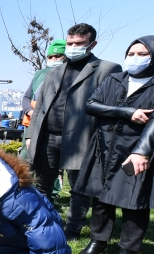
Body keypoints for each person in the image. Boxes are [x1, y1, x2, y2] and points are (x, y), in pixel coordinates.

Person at [75, 36, 154, 254]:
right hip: (106, 145)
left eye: (142, 54)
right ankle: (98, 240)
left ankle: (128, 251)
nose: (134, 58)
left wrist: (142, 151)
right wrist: (126, 112)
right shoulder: (116, 79)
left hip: (138, 147)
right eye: (131, 53)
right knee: (101, 196)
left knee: (134, 200)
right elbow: (92, 105)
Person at [26, 24, 123, 239]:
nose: (72, 47)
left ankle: (73, 229)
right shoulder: (55, 71)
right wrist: (32, 135)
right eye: (70, 43)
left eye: (79, 44)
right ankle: (45, 223)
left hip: (82, 139)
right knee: (42, 183)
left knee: (79, 188)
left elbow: (110, 108)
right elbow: (40, 105)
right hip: (48, 136)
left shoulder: (107, 69)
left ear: (91, 44)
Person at [20, 40, 65, 158]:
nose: (54, 59)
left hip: (52, 127)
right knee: (25, 160)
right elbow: (26, 97)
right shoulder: (39, 74)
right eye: (51, 57)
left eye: (58, 56)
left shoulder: (68, 76)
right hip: (31, 123)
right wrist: (30, 111)